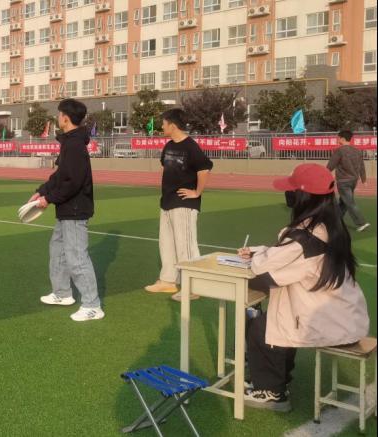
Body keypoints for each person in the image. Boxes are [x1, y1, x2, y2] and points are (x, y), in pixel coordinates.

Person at [238, 163, 369, 412]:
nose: (287, 194)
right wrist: (260, 250)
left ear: (303, 196)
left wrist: (258, 255)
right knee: (277, 318)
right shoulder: (329, 226)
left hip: (331, 321)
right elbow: (285, 255)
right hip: (345, 316)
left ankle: (272, 391)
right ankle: (277, 379)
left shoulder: (305, 237)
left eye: (291, 189)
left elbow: (263, 268)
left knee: (262, 326)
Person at [32, 98, 103, 322]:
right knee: (58, 251)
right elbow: (59, 175)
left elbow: (72, 182)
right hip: (66, 209)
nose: (57, 117)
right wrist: (41, 191)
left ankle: (92, 305)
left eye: (59, 114)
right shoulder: (69, 143)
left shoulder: (74, 145)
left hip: (75, 210)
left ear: (65, 117)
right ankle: (62, 293)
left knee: (77, 257)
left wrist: (49, 199)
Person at [144, 108, 213, 301]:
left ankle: (193, 286)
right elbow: (165, 167)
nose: (162, 127)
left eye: (164, 123)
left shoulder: (191, 147)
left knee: (186, 246)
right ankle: (168, 280)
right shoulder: (168, 146)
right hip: (167, 201)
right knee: (166, 243)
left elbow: (204, 169)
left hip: (184, 203)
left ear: (173, 125)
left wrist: (197, 192)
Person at [327, 130, 370, 232]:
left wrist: (323, 176)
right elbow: (362, 166)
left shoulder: (339, 151)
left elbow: (330, 166)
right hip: (353, 180)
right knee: (344, 202)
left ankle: (361, 223)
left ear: (342, 139)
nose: (337, 139)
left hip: (343, 181)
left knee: (349, 202)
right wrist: (364, 179)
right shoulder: (357, 151)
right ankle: (336, 221)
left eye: (338, 138)